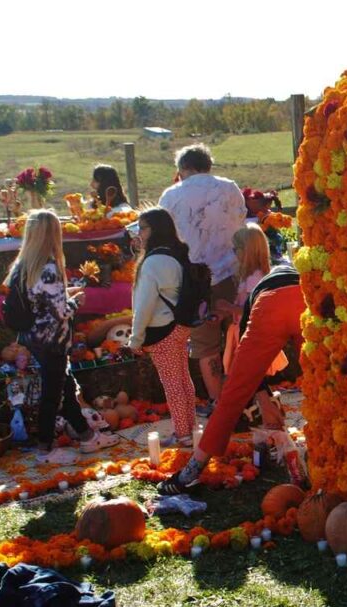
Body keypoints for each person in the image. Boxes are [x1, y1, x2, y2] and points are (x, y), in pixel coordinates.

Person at [158, 263, 304, 495]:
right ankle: (332, 453)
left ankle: (189, 473)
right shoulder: (291, 275)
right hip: (303, 299)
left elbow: (249, 374)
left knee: (231, 397)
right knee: (322, 381)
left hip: (269, 305)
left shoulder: (254, 299)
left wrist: (264, 402)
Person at [4, 210, 119, 457]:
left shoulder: (22, 266)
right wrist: (77, 301)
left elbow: (40, 300)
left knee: (66, 390)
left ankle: (88, 436)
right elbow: (60, 312)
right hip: (52, 340)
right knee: (53, 395)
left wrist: (66, 293)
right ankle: (45, 447)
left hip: (32, 337)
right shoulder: (49, 267)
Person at [158, 144, 247, 411]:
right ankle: (245, 394)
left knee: (205, 344)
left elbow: (166, 239)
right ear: (208, 164)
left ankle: (219, 403)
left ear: (182, 169)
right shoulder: (230, 187)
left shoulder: (171, 195)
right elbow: (241, 225)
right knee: (238, 335)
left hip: (194, 280)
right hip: (230, 273)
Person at [127, 207, 195, 448]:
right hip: (180, 326)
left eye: (141, 228)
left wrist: (135, 339)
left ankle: (183, 434)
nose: (139, 233)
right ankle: (190, 428)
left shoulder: (153, 262)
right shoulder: (177, 254)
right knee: (183, 379)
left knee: (172, 384)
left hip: (161, 329)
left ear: (153, 230)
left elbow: (144, 305)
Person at [222, 223, 287, 377]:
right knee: (253, 376)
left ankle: (265, 401)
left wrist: (228, 307)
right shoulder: (253, 275)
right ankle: (267, 400)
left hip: (251, 333)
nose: (234, 254)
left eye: (235, 249)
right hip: (247, 332)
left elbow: (253, 311)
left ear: (246, 251)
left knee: (251, 375)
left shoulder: (254, 278)